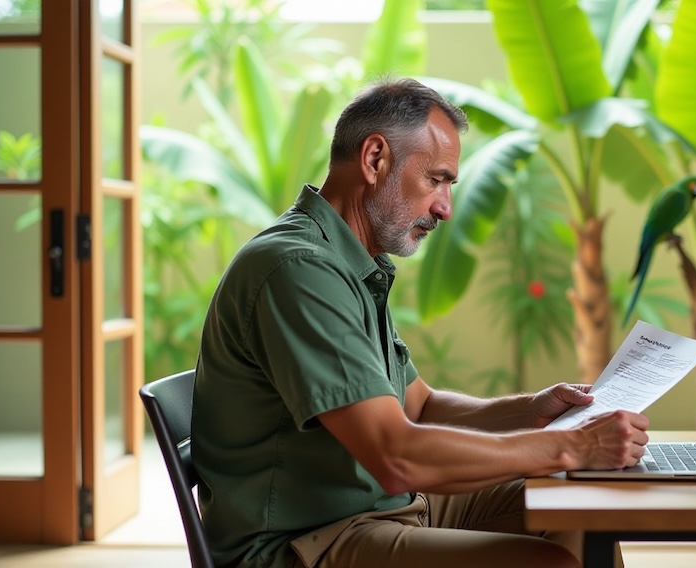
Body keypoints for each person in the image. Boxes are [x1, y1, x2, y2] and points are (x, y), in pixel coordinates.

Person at [192, 77, 649, 568]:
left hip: (378, 510)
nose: (445, 208)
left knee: (573, 509)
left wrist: (532, 412)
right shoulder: (297, 270)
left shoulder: (348, 263)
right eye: (436, 179)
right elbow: (396, 457)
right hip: (305, 542)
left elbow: (422, 406)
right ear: (374, 159)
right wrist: (571, 446)